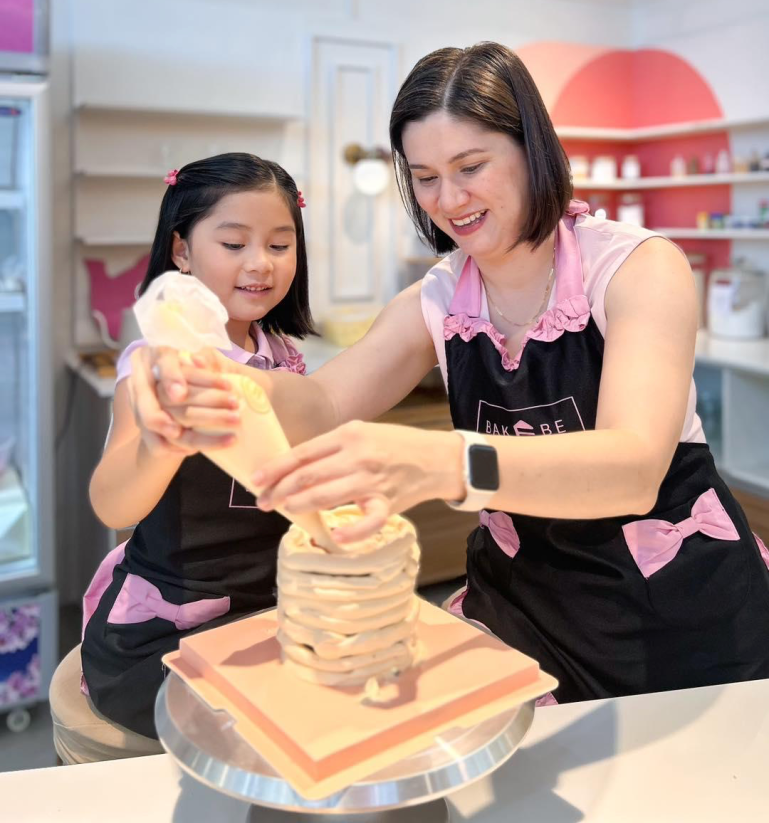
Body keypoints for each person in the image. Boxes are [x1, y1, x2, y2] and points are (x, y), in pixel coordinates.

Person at [131, 43, 769, 703]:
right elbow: (321, 404)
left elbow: (631, 470)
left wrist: (446, 463)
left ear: (532, 149)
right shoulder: (438, 299)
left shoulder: (637, 269)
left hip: (677, 615)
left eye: (470, 167)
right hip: (523, 611)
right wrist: (211, 378)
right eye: (426, 177)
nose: (450, 199)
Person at [79, 152, 315, 738]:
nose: (260, 263)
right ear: (181, 251)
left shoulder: (284, 360)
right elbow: (112, 504)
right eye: (234, 244)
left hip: (266, 612)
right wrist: (161, 445)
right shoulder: (159, 363)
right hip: (163, 635)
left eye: (279, 245)